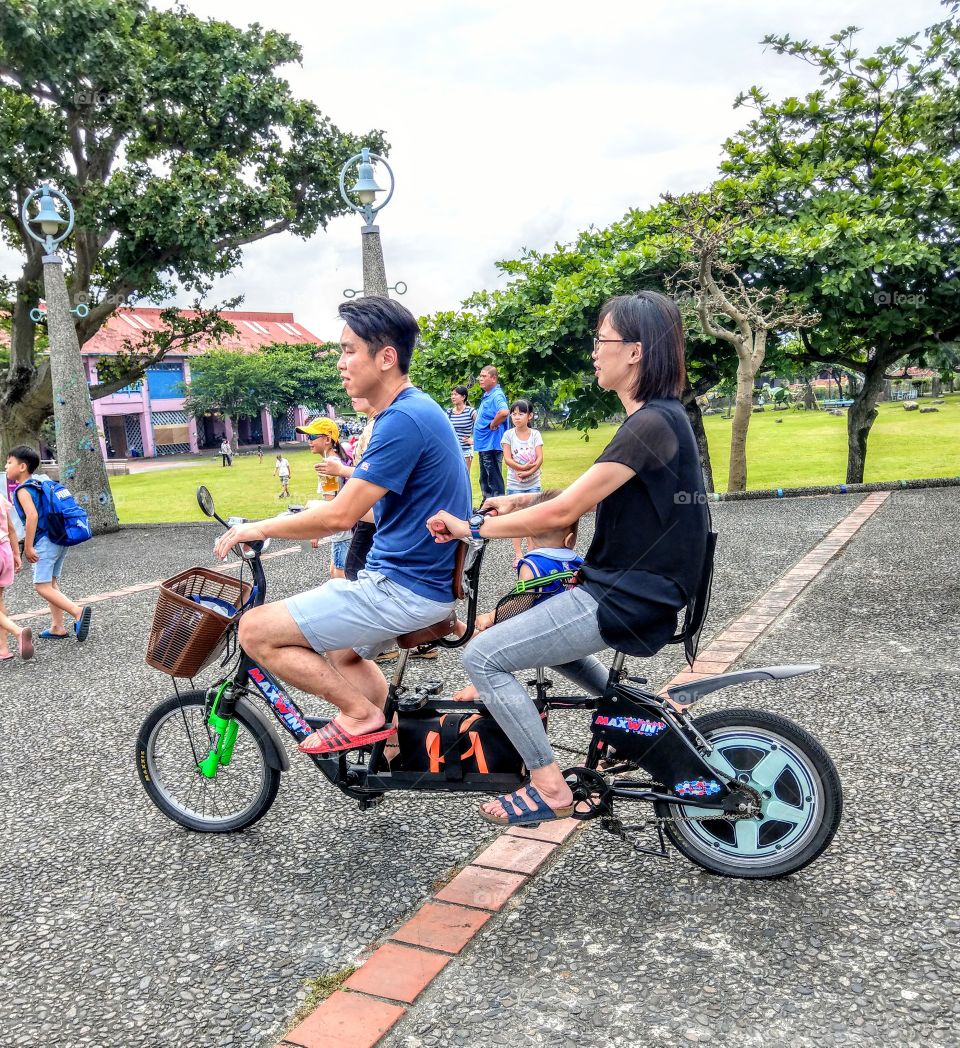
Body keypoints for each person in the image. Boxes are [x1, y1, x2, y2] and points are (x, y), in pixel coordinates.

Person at [427, 291, 709, 826]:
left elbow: (574, 506)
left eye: (602, 340)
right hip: (632, 586)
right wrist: (521, 498)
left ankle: (549, 785)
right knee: (536, 634)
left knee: (483, 656)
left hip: (625, 594)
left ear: (636, 352)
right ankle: (636, 710)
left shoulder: (651, 423)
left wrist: (474, 527)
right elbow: (589, 489)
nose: (594, 352)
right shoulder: (658, 420)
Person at [214, 296, 472, 756]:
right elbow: (373, 511)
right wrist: (298, 520)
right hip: (414, 581)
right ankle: (388, 741)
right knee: (339, 649)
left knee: (254, 630)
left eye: (350, 350)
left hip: (403, 587)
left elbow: (342, 514)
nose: (340, 362)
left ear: (386, 357)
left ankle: (361, 715)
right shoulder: (412, 411)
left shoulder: (402, 418)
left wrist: (259, 527)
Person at [453, 489, 580, 703]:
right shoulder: (576, 561)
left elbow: (521, 603)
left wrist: (491, 617)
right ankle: (459, 629)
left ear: (529, 535)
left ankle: (480, 684)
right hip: (566, 627)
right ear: (570, 539)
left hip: (537, 629)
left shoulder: (533, 565)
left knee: (488, 638)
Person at [6, 445, 93, 642]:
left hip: (44, 541)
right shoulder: (41, 482)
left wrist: (28, 547)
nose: (6, 465)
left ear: (22, 467)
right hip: (59, 538)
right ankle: (57, 626)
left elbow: (32, 517)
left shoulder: (23, 490)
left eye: (9, 462)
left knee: (41, 586)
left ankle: (77, 612)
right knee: (51, 583)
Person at [296, 417, 352, 580]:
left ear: (327, 439)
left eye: (312, 437)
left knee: (339, 576)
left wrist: (315, 531)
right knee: (335, 570)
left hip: (341, 531)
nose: (309, 441)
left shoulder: (327, 466)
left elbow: (331, 505)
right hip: (347, 528)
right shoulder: (340, 460)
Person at [501, 398, 544, 566]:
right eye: (513, 414)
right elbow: (507, 458)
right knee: (517, 518)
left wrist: (529, 472)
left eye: (521, 413)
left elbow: (539, 458)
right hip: (515, 484)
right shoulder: (508, 435)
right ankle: (519, 554)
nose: (516, 417)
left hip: (533, 483)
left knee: (533, 517)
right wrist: (520, 469)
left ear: (530, 416)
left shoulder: (535, 435)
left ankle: (532, 552)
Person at [0, 487, 33, 661]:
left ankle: (17, 631)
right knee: (0, 600)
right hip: (4, 550)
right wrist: (15, 554)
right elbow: (11, 529)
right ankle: (3, 649)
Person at [473, 365, 509, 500]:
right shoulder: (488, 395)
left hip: (491, 444)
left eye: (484, 376)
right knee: (485, 479)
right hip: (484, 444)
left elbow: (504, 412)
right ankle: (487, 505)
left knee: (493, 479)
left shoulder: (496, 395)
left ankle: (498, 507)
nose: (480, 379)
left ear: (494, 378)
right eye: (480, 376)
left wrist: (494, 423)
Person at [447, 385, 477, 474]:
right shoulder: (449, 412)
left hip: (465, 451)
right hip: (452, 450)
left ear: (463, 397)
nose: (453, 397)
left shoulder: (471, 411)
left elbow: (481, 427)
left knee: (464, 476)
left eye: (455, 394)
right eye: (452, 394)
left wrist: (474, 441)